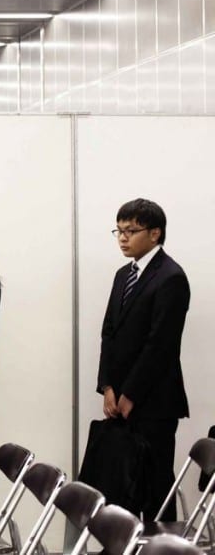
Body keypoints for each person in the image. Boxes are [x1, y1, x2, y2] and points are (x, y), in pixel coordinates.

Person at [97, 198, 189, 521]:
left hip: (154, 403)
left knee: (154, 488)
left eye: (131, 230)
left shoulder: (171, 277)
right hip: (119, 400)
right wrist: (107, 386)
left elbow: (160, 345)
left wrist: (131, 394)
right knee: (121, 488)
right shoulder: (124, 274)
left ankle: (160, 547)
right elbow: (109, 333)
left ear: (154, 233)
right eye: (118, 231)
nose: (123, 238)